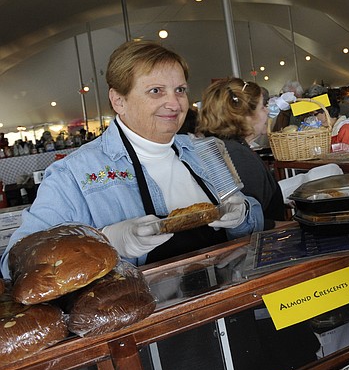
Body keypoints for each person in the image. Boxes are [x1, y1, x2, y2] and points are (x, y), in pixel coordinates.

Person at [1, 41, 263, 276]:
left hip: (226, 302)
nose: (175, 103)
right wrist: (103, 240)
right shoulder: (74, 173)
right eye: (156, 91)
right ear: (118, 100)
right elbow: (16, 261)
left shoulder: (204, 151)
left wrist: (244, 215)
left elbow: (254, 226)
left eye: (180, 90)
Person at [196, 78, 287, 230]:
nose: (267, 111)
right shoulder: (237, 155)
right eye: (262, 107)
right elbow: (248, 222)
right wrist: (291, 226)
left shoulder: (225, 147)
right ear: (244, 117)